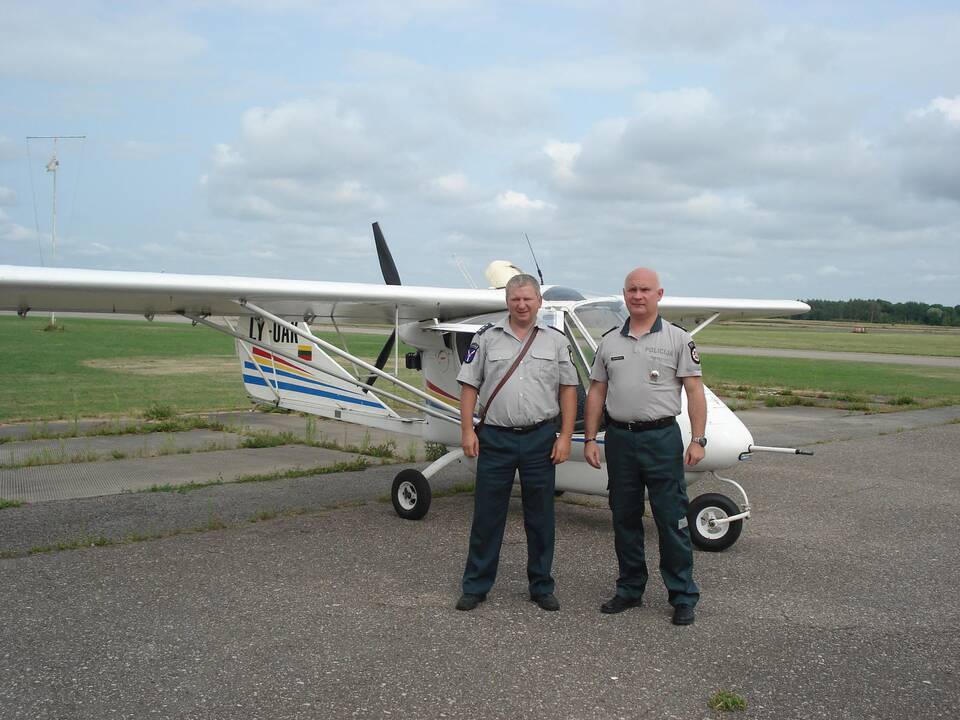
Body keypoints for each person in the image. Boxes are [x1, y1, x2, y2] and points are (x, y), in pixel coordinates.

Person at [583, 267, 706, 626]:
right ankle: (630, 589)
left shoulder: (678, 339)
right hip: (620, 439)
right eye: (631, 290)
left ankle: (682, 595)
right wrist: (590, 438)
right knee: (624, 516)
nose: (637, 296)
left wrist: (698, 439)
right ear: (624, 295)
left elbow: (694, 390)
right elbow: (596, 392)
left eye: (644, 290)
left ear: (659, 294)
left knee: (672, 519)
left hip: (661, 439)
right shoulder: (609, 342)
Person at [455, 273, 578, 612]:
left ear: (539, 302)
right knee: (487, 516)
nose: (522, 305)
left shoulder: (555, 341)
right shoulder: (486, 339)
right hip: (495, 438)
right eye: (515, 299)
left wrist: (565, 436)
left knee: (540, 517)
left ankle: (541, 586)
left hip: (540, 437)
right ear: (507, 302)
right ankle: (476, 585)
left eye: (528, 299)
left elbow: (569, 389)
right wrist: (467, 431)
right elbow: (469, 387)